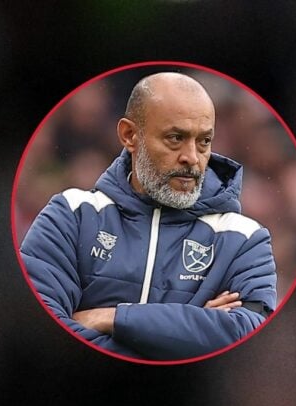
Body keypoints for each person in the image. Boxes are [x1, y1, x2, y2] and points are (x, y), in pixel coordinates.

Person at [19, 72, 277, 361]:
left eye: (204, 142)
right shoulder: (71, 215)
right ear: (130, 135)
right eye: (175, 138)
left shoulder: (245, 239)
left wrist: (113, 318)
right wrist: (188, 333)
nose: (191, 157)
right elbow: (43, 334)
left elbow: (247, 339)